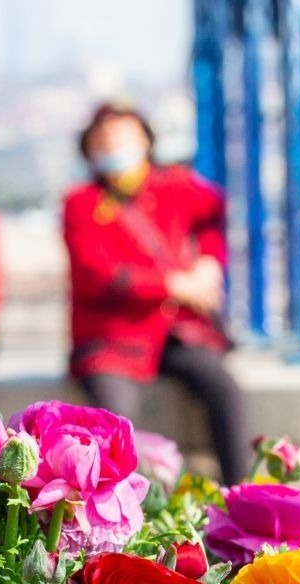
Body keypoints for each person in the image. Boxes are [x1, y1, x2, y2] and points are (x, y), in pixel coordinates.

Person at [63, 102, 248, 481]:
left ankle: (238, 494)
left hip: (173, 331)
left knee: (223, 386)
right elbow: (97, 275)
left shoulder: (175, 185)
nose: (116, 150)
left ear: (146, 142)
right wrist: (173, 285)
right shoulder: (81, 204)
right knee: (115, 417)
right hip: (111, 340)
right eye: (105, 143)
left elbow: (215, 214)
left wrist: (209, 263)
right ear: (90, 151)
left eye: (125, 140)